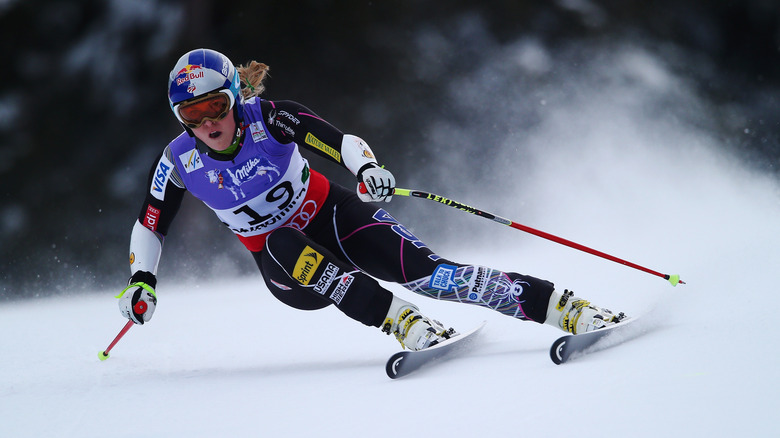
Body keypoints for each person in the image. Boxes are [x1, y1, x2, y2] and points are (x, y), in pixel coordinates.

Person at [116, 48, 624, 352]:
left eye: (214, 106)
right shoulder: (178, 160)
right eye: (190, 114)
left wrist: (368, 168)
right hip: (288, 270)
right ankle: (402, 322)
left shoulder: (270, 118)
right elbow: (150, 224)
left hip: (336, 216)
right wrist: (142, 281)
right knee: (281, 241)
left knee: (433, 273)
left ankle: (564, 308)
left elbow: (339, 142)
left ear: (234, 96)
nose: (206, 123)